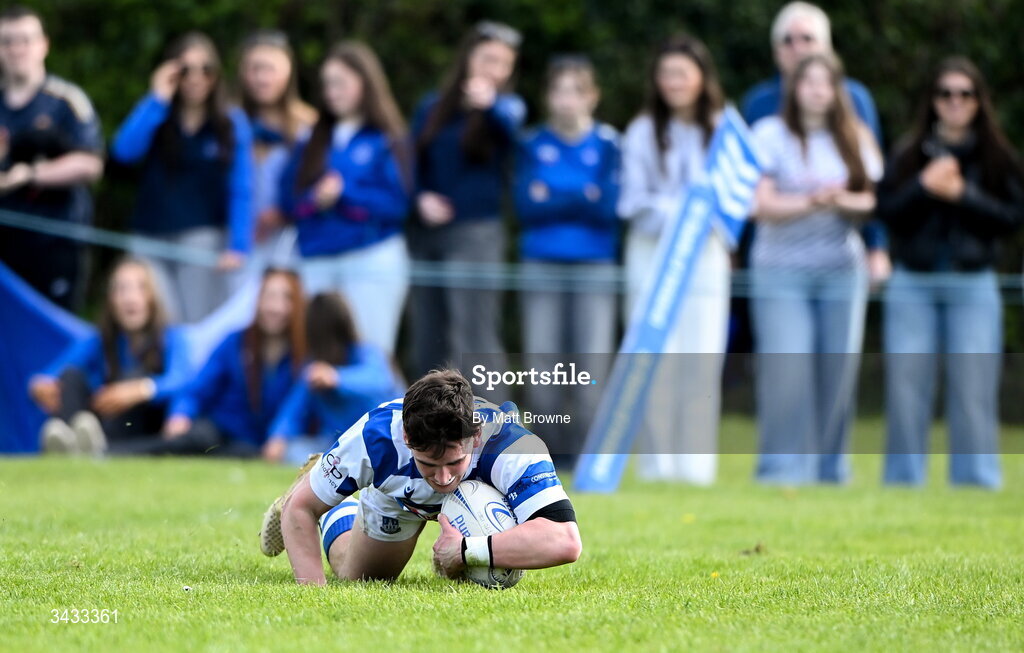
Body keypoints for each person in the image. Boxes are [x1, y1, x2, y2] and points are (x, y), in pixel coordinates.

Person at [258, 368, 581, 585]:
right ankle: (331, 502)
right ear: (407, 439)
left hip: (465, 516)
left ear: (476, 436)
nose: (442, 478)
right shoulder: (375, 438)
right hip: (400, 499)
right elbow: (302, 509)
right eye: (428, 463)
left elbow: (565, 541)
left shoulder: (515, 449)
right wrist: (314, 597)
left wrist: (466, 550)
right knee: (356, 577)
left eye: (454, 462)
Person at [876, 57, 1024, 488]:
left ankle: (976, 480)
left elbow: (1012, 218)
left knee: (973, 389)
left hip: (973, 283)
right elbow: (887, 212)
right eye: (946, 93)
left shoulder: (997, 156)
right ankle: (903, 482)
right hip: (913, 282)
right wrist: (924, 187)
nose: (955, 102)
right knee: (905, 389)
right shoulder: (908, 153)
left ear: (979, 101)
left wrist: (963, 194)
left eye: (965, 93)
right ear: (933, 101)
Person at [750, 53, 882, 485]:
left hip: (841, 269)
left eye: (826, 83)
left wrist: (842, 200)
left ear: (838, 90)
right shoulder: (769, 134)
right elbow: (760, 205)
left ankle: (831, 470)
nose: (817, 90)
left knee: (837, 373)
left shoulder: (855, 136)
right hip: (780, 271)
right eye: (809, 82)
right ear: (794, 87)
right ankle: (780, 470)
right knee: (786, 371)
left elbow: (870, 202)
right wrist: (811, 201)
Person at [617, 34, 729, 484]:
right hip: (651, 255)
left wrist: (701, 219)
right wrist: (682, 212)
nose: (674, 82)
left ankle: (696, 469)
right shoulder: (642, 131)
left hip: (705, 256)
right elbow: (632, 201)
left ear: (702, 77)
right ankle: (658, 466)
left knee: (701, 358)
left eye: (682, 73)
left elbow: (735, 199)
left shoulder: (724, 129)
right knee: (655, 360)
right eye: (666, 74)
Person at [512, 55, 619, 468]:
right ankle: (546, 457)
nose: (567, 99)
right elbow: (526, 206)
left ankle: (588, 460)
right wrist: (582, 196)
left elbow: (607, 207)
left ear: (592, 96)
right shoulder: (532, 144)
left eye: (576, 90)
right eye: (558, 90)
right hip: (540, 262)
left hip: (595, 264)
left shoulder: (609, 144)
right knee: (542, 364)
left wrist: (554, 196)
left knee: (591, 365)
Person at [740, 1, 890, 284]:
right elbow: (746, 186)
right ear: (776, 51)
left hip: (840, 253)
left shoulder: (854, 99)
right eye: (788, 40)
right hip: (773, 254)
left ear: (827, 46)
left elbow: (871, 182)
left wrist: (876, 246)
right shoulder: (758, 104)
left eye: (807, 39)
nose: (797, 48)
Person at [111, 31, 254, 323]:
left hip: (202, 236)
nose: (196, 77)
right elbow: (124, 151)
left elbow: (242, 187)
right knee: (154, 322)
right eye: (186, 70)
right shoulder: (158, 113)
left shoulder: (230, 122)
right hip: (150, 235)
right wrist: (157, 99)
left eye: (206, 69)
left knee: (194, 323)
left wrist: (239, 244)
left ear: (216, 75)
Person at [408, 21, 525, 376]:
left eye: (504, 64)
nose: (495, 70)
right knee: (427, 337)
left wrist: (488, 108)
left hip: (476, 234)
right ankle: (426, 425)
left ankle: (491, 426)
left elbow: (513, 139)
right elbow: (409, 162)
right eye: (488, 58)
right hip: (426, 234)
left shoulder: (508, 108)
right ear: (469, 58)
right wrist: (419, 198)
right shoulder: (433, 106)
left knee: (473, 338)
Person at [279, 41, 410, 357]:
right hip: (317, 261)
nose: (331, 92)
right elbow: (289, 201)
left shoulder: (387, 138)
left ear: (365, 83)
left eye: (340, 82)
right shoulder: (311, 139)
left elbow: (398, 204)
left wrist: (344, 195)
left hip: (370, 259)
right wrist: (315, 199)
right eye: (326, 84)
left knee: (371, 355)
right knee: (318, 358)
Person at [115, 268, 306, 457]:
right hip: (217, 430)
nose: (275, 307)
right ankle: (113, 452)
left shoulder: (304, 356)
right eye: (269, 297)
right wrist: (181, 414)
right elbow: (199, 386)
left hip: (254, 445)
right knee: (189, 441)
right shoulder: (236, 342)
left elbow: (296, 406)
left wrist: (280, 436)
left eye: (286, 298)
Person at [28, 257, 190, 454]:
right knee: (71, 377)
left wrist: (142, 389)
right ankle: (65, 441)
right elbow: (57, 369)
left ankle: (97, 449)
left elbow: (185, 380)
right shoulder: (100, 339)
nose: (130, 298)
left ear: (153, 297)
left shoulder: (173, 338)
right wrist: (40, 385)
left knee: (133, 379)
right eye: (122, 289)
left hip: (142, 428)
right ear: (111, 299)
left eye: (140, 288)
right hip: (96, 423)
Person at [0, 5, 103, 310]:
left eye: (26, 40)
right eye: (7, 41)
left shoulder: (66, 101)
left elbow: (91, 164)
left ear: (44, 45)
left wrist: (30, 175)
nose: (17, 49)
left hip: (56, 245)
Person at [263, 291, 403, 465]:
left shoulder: (366, 353)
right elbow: (295, 408)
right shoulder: (314, 366)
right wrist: (279, 437)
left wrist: (336, 378)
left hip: (380, 442)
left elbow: (380, 380)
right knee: (295, 451)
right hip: (335, 447)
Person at [236, 30, 317, 275]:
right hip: (238, 246)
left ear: (288, 71)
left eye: (270, 69)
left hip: (292, 244)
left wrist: (284, 212)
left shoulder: (309, 124)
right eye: (254, 69)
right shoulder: (232, 122)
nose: (262, 78)